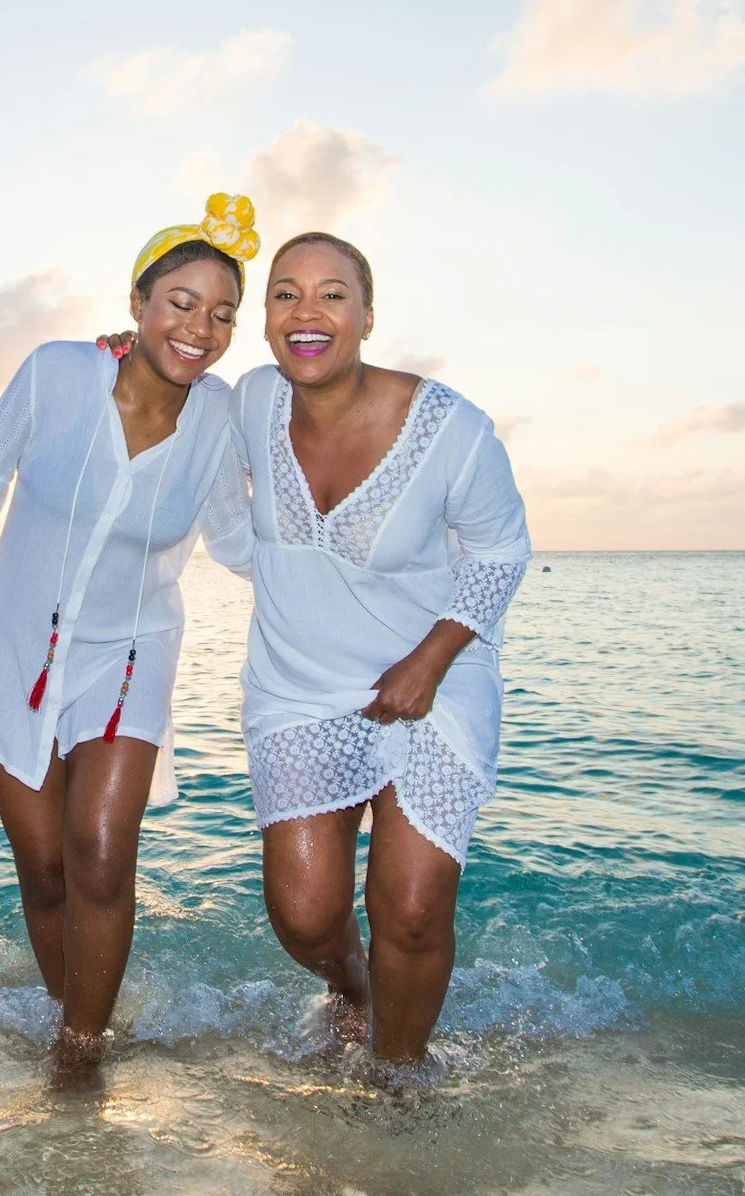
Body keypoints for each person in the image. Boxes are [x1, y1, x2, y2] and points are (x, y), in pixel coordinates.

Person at [0, 194, 260, 1069]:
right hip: (14, 645)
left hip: (132, 649)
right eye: (181, 302)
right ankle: (69, 1007)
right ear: (137, 302)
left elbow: (238, 536)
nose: (200, 327)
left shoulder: (221, 416)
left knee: (97, 850)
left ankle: (82, 1052)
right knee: (45, 869)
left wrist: (351, 577)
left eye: (223, 313)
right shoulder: (54, 373)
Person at [228, 232, 531, 1066]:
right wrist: (122, 353)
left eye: (332, 293)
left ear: (366, 314)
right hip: (298, 686)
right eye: (285, 293)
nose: (308, 312)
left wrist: (431, 658)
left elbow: (503, 550)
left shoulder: (450, 427)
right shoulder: (249, 402)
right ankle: (356, 991)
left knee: (412, 906)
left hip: (431, 677)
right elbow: (164, 398)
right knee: (304, 915)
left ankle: (397, 1072)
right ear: (264, 321)